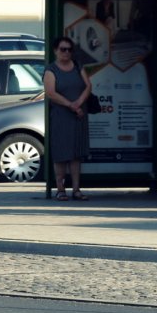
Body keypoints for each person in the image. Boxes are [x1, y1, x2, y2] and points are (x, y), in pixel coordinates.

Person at [44, 36, 92, 201]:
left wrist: (78, 103)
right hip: (61, 115)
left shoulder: (78, 66)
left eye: (69, 49)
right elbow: (51, 93)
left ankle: (77, 189)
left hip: (78, 115)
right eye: (63, 49)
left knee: (76, 153)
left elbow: (88, 86)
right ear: (55, 51)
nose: (66, 53)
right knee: (61, 152)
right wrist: (71, 105)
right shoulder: (51, 70)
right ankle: (60, 188)